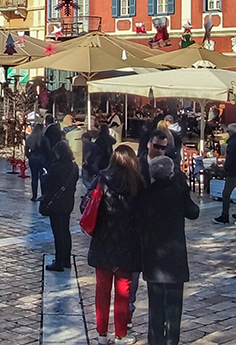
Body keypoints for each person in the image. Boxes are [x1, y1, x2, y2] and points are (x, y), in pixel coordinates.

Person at [137, 155, 200, 345]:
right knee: (174, 304)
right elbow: (194, 213)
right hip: (175, 256)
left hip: (154, 256)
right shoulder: (178, 191)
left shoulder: (146, 194)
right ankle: (172, 340)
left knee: (155, 304)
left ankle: (156, 339)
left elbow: (138, 222)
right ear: (171, 173)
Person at [88, 145, 144, 345]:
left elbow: (86, 205)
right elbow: (142, 215)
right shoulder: (137, 182)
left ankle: (101, 334)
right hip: (127, 242)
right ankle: (121, 334)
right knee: (124, 291)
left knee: (102, 290)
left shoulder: (101, 179)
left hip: (103, 239)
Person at [41, 140, 79, 272]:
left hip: (56, 203)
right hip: (68, 202)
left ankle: (59, 261)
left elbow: (48, 185)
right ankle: (66, 260)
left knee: (58, 233)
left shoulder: (55, 168)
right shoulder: (74, 167)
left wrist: (44, 176)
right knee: (66, 231)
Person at [24, 122, 48, 201]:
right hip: (42, 159)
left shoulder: (30, 138)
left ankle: (34, 195)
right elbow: (48, 150)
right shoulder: (43, 139)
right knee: (42, 177)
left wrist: (29, 155)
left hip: (32, 159)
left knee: (34, 177)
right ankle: (43, 194)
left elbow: (26, 150)